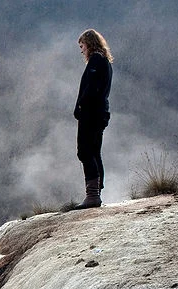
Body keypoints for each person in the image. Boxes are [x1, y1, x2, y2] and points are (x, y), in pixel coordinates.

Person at [74, 29, 113, 209]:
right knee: (95, 151)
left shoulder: (96, 60)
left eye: (82, 46)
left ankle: (92, 195)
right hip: (100, 113)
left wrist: (80, 107)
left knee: (85, 151)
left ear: (89, 43)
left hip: (91, 114)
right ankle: (96, 192)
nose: (82, 50)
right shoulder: (105, 61)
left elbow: (91, 89)